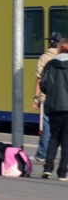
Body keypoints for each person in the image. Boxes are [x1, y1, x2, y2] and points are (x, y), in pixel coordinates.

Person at [38, 36, 68, 180]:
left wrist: (52, 94)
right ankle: (62, 173)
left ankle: (48, 168)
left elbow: (43, 85)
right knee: (67, 140)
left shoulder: (50, 64)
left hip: (54, 106)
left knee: (53, 137)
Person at [33, 32, 62, 162]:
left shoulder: (44, 57)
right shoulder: (64, 57)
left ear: (50, 43)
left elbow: (39, 79)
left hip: (46, 97)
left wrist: (35, 97)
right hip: (63, 98)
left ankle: (42, 154)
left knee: (46, 127)